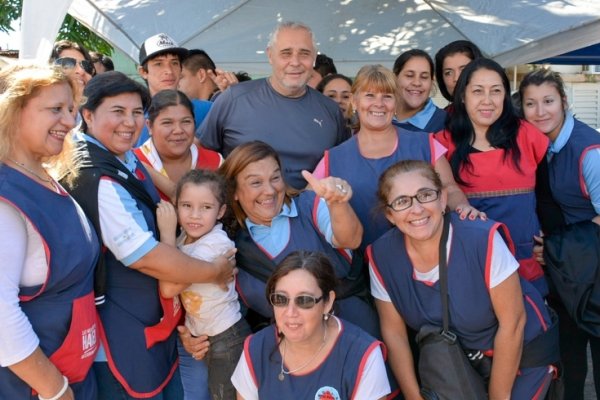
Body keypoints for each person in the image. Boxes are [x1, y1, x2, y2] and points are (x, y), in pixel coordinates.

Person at [61, 71, 235, 399]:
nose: (129, 122)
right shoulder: (97, 178)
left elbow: (159, 191)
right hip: (121, 331)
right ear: (87, 114)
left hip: (151, 323)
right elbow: (149, 259)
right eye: (118, 112)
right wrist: (216, 271)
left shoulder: (123, 158)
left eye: (137, 112)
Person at [369, 160, 556, 399]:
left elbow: (514, 323)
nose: (416, 209)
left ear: (443, 199)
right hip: (454, 365)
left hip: (520, 357)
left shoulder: (480, 238)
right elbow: (394, 334)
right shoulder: (382, 256)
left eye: (425, 195)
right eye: (402, 201)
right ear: (390, 214)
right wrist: (415, 396)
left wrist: (499, 396)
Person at [0, 64, 99, 399]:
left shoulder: (40, 175)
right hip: (33, 388)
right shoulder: (6, 196)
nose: (70, 122)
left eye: (70, 110)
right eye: (55, 109)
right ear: (12, 111)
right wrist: (55, 390)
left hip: (71, 373)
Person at [219, 140, 380, 336]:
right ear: (234, 191)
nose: (269, 190)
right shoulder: (228, 244)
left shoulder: (309, 207)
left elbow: (350, 240)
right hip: (292, 350)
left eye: (275, 178)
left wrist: (338, 203)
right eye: (256, 182)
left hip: (351, 330)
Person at [313, 64, 480, 250]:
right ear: (354, 101)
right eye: (370, 95)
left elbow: (449, 188)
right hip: (360, 268)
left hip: (426, 256)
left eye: (387, 96)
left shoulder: (425, 144)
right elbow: (310, 200)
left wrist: (462, 208)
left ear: (395, 103)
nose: (379, 103)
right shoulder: (334, 158)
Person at [435, 58, 550, 295]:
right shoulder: (442, 143)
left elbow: (548, 195)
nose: (487, 100)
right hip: (470, 262)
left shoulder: (527, 135)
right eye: (478, 91)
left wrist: (555, 244)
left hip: (526, 260)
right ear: (463, 96)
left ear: (505, 96)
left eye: (495, 91)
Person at [520, 68, 600, 399]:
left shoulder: (590, 151)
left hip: (593, 275)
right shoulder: (538, 147)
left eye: (548, 101)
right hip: (565, 277)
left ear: (564, 102)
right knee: (569, 364)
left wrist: (556, 248)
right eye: (530, 103)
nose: (540, 112)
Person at [197, 21, 349, 189]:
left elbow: (342, 166)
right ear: (270, 55)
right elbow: (199, 152)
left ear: (313, 58)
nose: (295, 62)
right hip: (241, 212)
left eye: (304, 54)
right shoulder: (234, 99)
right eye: (286, 53)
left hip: (308, 213)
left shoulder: (330, 110)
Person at [231, 250, 391, 400]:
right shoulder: (256, 348)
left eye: (304, 300)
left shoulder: (361, 354)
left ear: (328, 302)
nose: (290, 312)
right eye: (281, 299)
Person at [156, 169, 251, 400]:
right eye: (186, 206)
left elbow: (169, 287)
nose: (195, 215)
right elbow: (176, 190)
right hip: (205, 336)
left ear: (221, 211)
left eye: (206, 208)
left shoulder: (214, 245)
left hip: (226, 337)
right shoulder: (186, 238)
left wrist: (167, 234)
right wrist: (138, 161)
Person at [134, 89, 222, 201]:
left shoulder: (215, 162)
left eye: (186, 121)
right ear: (149, 126)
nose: (178, 130)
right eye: (167, 123)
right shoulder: (130, 163)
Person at [135, 33, 212, 147]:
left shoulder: (208, 111)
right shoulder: (134, 119)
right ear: (143, 72)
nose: (169, 71)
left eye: (174, 63)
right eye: (159, 64)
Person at [392, 49, 447, 133]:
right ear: (395, 78)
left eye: (424, 77)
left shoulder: (446, 124)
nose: (417, 83)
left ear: (432, 82)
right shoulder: (378, 115)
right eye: (409, 75)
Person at [434, 40, 482, 105]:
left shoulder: (498, 111)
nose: (456, 78)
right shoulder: (442, 115)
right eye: (449, 73)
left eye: (463, 70)